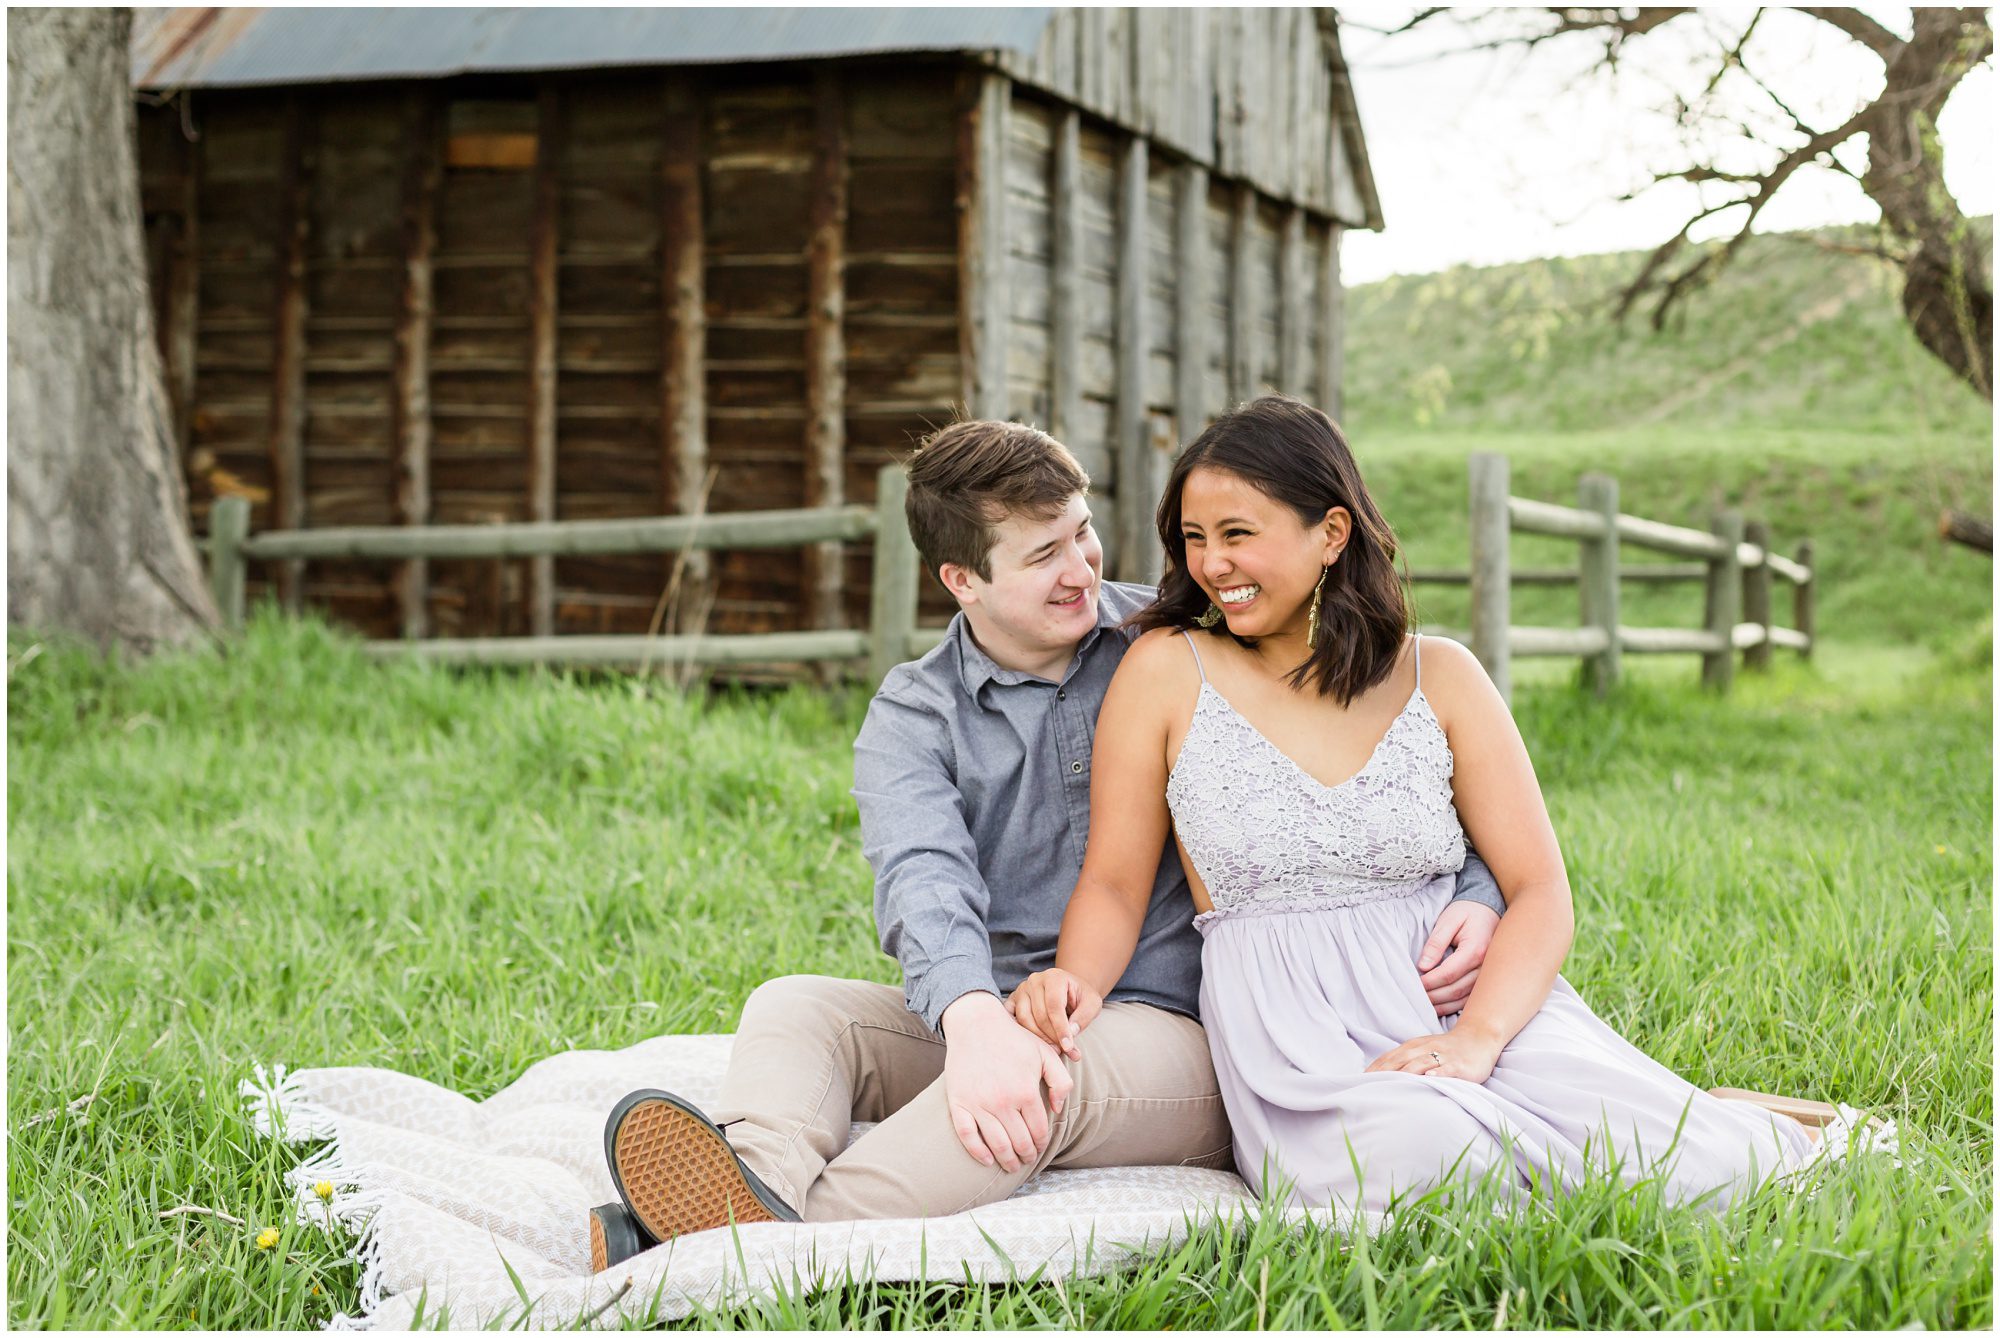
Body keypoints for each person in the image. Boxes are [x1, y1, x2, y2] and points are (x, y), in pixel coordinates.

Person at [586, 419, 1510, 1270]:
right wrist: (977, 1021)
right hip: (1009, 1007)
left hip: (1183, 1022)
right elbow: (924, 884)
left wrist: (1476, 885)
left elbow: (1378, 776)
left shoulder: (1181, 639)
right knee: (797, 1007)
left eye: (1081, 532)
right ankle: (752, 1183)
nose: (1080, 567)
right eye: (1041, 555)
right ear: (963, 580)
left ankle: (734, 1255)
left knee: (1042, 1082)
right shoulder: (916, 716)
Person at [1007, 395, 1834, 1214]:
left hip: (1470, 1008)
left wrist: (1475, 1042)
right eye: (1194, 539)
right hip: (1299, 1042)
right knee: (1427, 1166)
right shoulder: (1164, 669)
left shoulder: (1441, 675)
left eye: (1237, 535)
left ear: (1331, 534)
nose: (1211, 564)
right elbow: (1114, 881)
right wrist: (1073, 981)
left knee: (1694, 1172)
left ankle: (1743, 1120)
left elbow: (1541, 890)